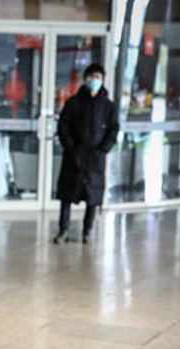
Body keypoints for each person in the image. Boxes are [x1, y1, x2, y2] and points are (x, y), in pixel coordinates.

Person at [53, 63, 119, 245]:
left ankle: (87, 231)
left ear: (103, 80)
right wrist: (70, 147)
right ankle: (63, 230)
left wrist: (104, 148)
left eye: (98, 78)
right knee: (67, 194)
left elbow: (113, 129)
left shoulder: (108, 106)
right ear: (85, 79)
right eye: (91, 77)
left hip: (96, 157)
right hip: (74, 155)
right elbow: (63, 126)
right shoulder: (73, 103)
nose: (94, 81)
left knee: (93, 196)